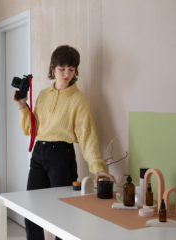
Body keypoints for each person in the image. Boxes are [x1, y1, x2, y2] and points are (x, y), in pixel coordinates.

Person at [13, 45, 117, 240]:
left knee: (65, 213)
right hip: (38, 155)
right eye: (62, 68)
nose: (66, 73)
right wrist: (22, 106)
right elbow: (30, 129)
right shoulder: (43, 95)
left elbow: (87, 134)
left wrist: (97, 167)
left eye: (71, 69)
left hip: (61, 156)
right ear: (53, 68)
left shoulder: (78, 99)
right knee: (31, 211)